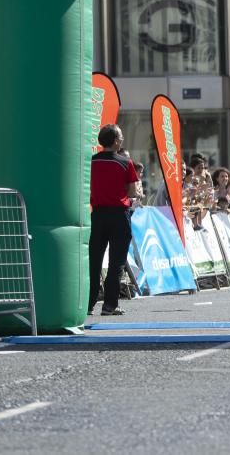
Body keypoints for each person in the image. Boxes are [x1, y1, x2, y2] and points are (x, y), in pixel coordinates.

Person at [89, 124, 142, 317]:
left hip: (98, 213)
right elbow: (133, 191)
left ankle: (87, 304)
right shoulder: (125, 162)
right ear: (116, 141)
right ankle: (109, 305)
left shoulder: (92, 161)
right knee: (116, 262)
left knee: (94, 260)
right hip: (119, 214)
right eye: (120, 136)